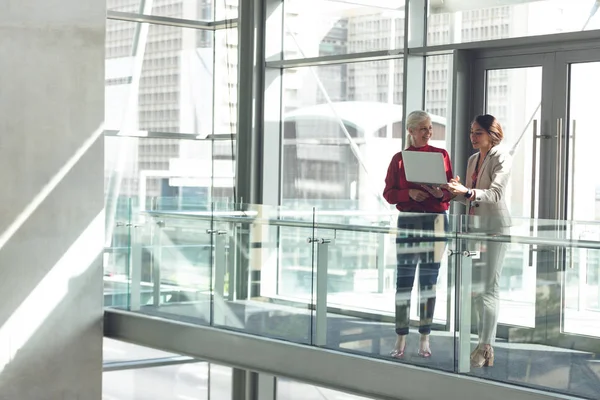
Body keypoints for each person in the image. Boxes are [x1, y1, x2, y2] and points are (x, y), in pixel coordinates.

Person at [383, 110, 453, 359]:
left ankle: (425, 336)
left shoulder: (441, 155)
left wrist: (439, 194)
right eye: (423, 128)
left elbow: (449, 191)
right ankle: (401, 335)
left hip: (435, 222)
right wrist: (408, 194)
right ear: (411, 131)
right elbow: (389, 193)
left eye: (430, 128)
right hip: (409, 222)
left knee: (428, 282)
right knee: (404, 281)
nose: (428, 132)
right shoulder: (399, 159)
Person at [444, 114, 511, 368]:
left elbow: (494, 194)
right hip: (474, 228)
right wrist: (454, 193)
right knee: (475, 290)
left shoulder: (501, 156)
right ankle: (483, 344)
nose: (472, 137)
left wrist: (468, 192)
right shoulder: (473, 159)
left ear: (492, 134)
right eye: (471, 132)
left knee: (489, 289)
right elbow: (470, 198)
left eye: (478, 133)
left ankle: (485, 347)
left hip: (494, 229)